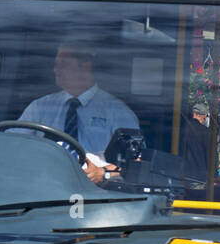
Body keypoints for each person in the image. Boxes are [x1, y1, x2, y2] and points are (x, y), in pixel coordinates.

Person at [19, 40, 139, 183]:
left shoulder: (118, 112)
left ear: (86, 66)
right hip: (45, 186)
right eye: (55, 65)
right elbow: (12, 145)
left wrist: (104, 174)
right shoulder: (40, 107)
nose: (56, 70)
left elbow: (135, 165)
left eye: (63, 64)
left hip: (96, 194)